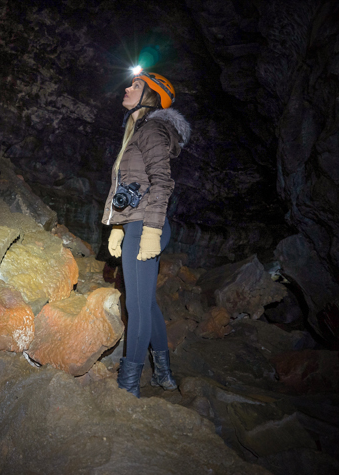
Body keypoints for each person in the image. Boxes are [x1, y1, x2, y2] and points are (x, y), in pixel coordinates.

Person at [101, 70, 191, 397]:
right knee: (146, 304)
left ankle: (128, 387)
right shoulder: (138, 129)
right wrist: (117, 227)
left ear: (149, 95)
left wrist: (148, 231)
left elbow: (162, 183)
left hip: (147, 226)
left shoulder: (152, 129)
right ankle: (163, 375)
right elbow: (129, 185)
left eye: (135, 85)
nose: (127, 88)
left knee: (137, 308)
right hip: (138, 224)